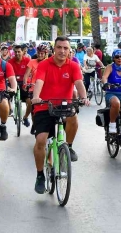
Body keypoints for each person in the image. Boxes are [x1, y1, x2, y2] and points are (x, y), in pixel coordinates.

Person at [30, 36, 89, 194]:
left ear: (69, 50)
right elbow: (39, 82)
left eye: (65, 48)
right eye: (59, 47)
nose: (62, 51)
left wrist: (84, 97)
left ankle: (68, 147)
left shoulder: (73, 66)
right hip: (44, 105)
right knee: (41, 140)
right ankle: (40, 175)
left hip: (64, 105)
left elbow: (78, 83)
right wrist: (36, 97)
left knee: (73, 118)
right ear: (54, 49)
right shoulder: (44, 65)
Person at [22, 42, 50, 128]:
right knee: (32, 106)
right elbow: (26, 74)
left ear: (46, 54)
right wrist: (25, 83)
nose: (40, 55)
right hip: (33, 87)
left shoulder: (49, 63)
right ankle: (33, 123)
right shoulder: (32, 62)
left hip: (45, 88)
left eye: (42, 53)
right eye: (38, 53)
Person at [8, 44, 31, 123]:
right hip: (13, 83)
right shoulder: (10, 62)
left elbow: (30, 73)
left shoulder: (27, 60)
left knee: (29, 102)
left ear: (23, 52)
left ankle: (25, 117)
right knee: (5, 95)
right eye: (15, 52)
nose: (17, 53)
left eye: (19, 52)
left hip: (24, 83)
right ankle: (10, 109)